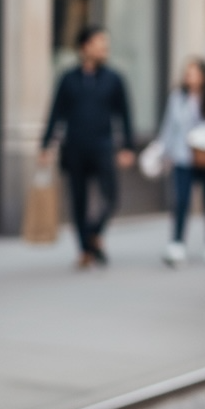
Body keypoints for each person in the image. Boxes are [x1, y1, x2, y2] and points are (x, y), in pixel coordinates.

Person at [39, 24, 135, 268]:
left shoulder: (114, 79)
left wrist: (128, 147)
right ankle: (85, 250)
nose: (105, 48)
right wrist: (45, 145)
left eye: (106, 44)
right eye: (100, 43)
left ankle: (92, 235)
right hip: (74, 148)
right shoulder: (68, 79)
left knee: (111, 197)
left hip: (103, 146)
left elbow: (124, 115)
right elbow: (55, 113)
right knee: (78, 200)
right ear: (85, 47)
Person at [157, 59, 205, 266]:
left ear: (203, 75)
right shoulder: (178, 97)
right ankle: (176, 244)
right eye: (187, 73)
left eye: (192, 73)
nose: (188, 77)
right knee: (181, 200)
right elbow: (169, 127)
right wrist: (164, 152)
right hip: (182, 158)